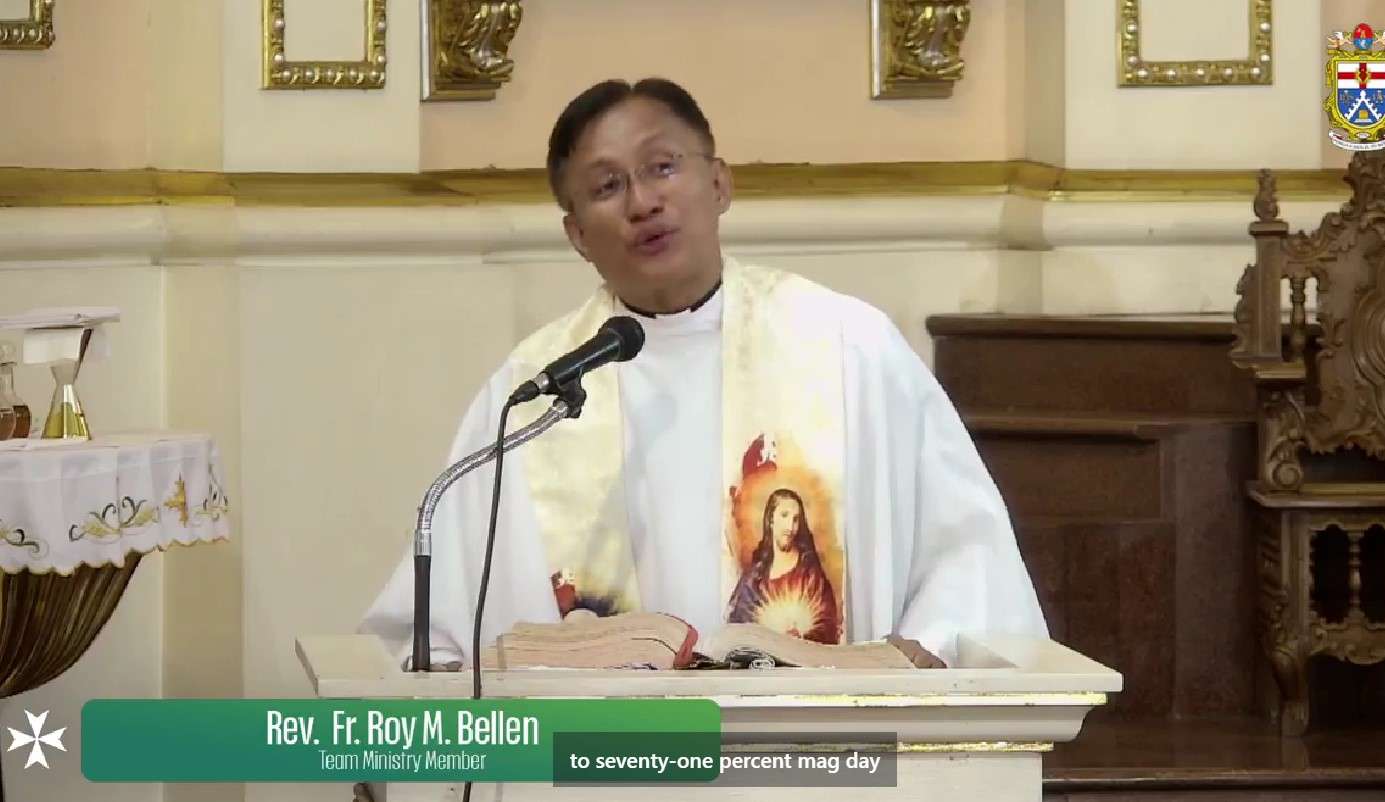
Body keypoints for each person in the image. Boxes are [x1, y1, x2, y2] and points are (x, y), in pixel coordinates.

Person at [361, 77, 1047, 669]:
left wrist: (925, 649)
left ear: (719, 184)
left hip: (818, 752)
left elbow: (968, 557)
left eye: (662, 167)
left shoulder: (847, 347)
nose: (642, 203)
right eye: (607, 186)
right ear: (577, 235)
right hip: (606, 757)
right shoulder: (538, 390)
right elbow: (435, 629)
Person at [726, 488, 841, 645]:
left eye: (796, 519)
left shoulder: (810, 575)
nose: (790, 527)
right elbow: (737, 625)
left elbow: (828, 624)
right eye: (784, 515)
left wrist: (802, 637)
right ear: (771, 520)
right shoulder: (754, 578)